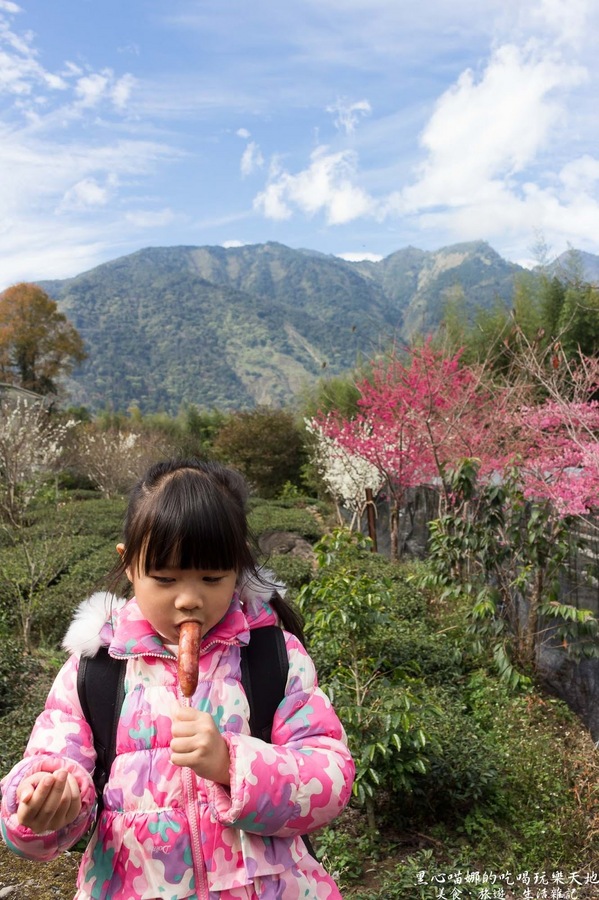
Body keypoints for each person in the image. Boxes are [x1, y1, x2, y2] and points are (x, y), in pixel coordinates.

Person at [0, 458, 355, 900]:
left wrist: (232, 765)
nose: (189, 599)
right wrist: (44, 803)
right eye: (165, 579)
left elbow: (331, 778)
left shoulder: (272, 658)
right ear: (128, 564)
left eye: (211, 577)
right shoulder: (96, 670)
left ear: (238, 567)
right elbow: (53, 760)